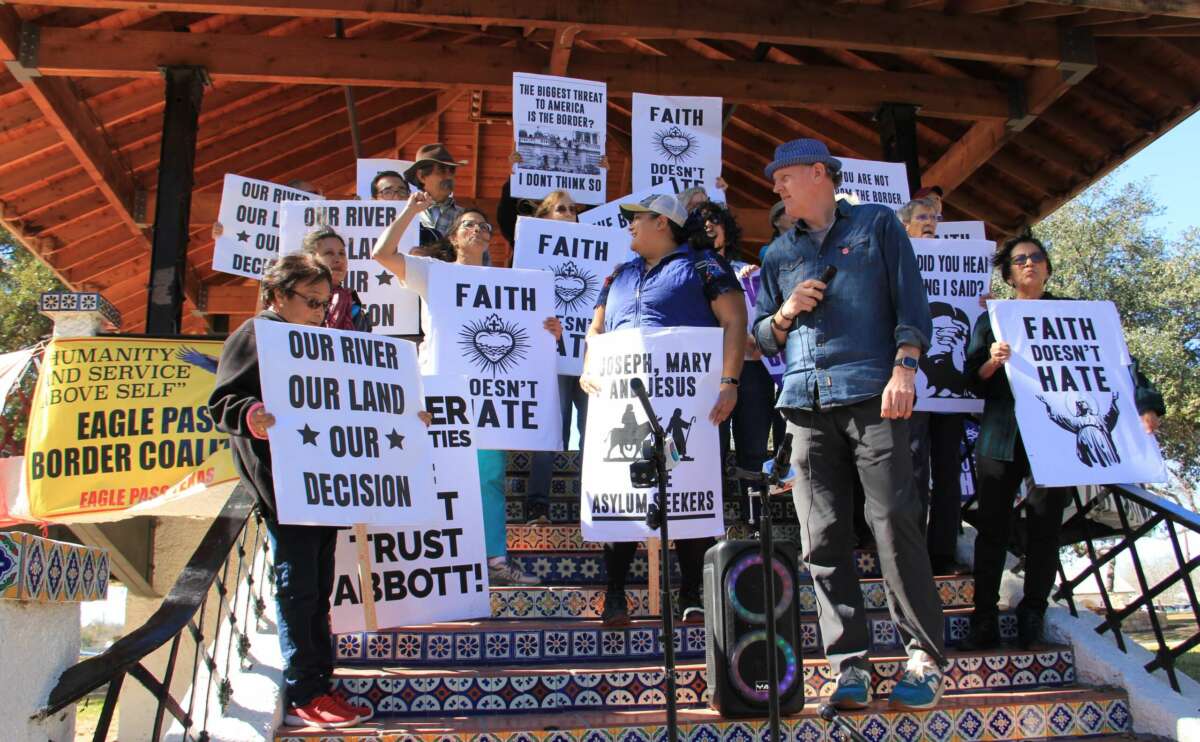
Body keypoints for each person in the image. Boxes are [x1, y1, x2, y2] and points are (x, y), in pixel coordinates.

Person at [752, 138, 947, 711]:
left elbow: (913, 306)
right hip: (804, 406)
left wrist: (905, 369)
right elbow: (763, 334)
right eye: (775, 182)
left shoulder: (879, 225)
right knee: (822, 541)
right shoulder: (776, 255)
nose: (777, 189)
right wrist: (786, 312)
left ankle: (922, 658)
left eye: (785, 178)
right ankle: (850, 665)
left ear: (820, 174)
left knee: (893, 523)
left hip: (874, 395)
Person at [962, 235, 1165, 651]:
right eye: (1020, 260)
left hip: (1057, 441)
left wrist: (1146, 405)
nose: (1029, 265)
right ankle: (984, 618)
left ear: (1049, 267)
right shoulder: (994, 320)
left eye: (1037, 258)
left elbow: (1119, 365)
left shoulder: (1074, 315)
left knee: (1045, 527)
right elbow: (971, 378)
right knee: (992, 528)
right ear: (1008, 274)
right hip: (1004, 435)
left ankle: (1033, 611)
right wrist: (993, 361)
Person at [208, 254, 366, 729]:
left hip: (321, 485)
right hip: (284, 486)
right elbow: (222, 402)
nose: (320, 310)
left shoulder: (319, 342)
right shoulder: (255, 334)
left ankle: (321, 681)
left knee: (319, 588)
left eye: (326, 302)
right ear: (277, 295)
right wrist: (250, 415)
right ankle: (304, 690)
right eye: (311, 300)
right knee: (298, 588)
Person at [373, 194, 564, 586]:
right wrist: (410, 210)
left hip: (488, 400)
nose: (478, 230)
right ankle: (437, 560)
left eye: (484, 227)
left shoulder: (510, 283)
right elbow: (382, 253)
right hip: (439, 395)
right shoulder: (433, 273)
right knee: (439, 476)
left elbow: (534, 339)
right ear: (454, 238)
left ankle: (495, 558)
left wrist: (551, 334)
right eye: (469, 226)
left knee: (489, 476)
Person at [580, 193, 746, 626]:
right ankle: (615, 594)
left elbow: (734, 319)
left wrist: (729, 381)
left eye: (638, 219)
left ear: (664, 223)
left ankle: (692, 592)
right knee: (621, 490)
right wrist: (587, 368)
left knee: (689, 485)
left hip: (690, 403)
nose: (630, 226)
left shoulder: (705, 265)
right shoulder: (617, 274)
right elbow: (595, 329)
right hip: (620, 404)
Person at [689, 200, 776, 519]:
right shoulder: (688, 272)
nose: (708, 226)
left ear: (728, 228)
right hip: (707, 374)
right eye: (700, 222)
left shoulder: (748, 272)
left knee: (753, 450)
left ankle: (754, 522)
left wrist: (761, 341)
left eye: (715, 220)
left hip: (753, 371)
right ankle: (712, 520)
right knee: (711, 448)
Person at [900, 197, 969, 574]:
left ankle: (941, 553)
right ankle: (911, 553)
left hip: (952, 392)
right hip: (911, 382)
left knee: (947, 471)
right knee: (912, 468)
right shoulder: (898, 261)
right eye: (922, 217)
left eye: (934, 218)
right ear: (906, 225)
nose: (929, 223)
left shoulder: (957, 261)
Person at [523, 190, 591, 524]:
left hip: (589, 357)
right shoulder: (530, 256)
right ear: (546, 216)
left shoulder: (598, 255)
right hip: (551, 360)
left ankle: (593, 503)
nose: (567, 213)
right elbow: (518, 308)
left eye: (572, 209)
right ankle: (537, 504)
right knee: (551, 429)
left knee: (593, 432)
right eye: (559, 209)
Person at [300, 227, 371, 333]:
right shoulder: (295, 300)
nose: (338, 260)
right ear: (310, 259)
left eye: (342, 253)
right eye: (329, 253)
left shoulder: (355, 311)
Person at [403, 143, 468, 244]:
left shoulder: (466, 218)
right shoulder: (404, 212)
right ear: (421, 176)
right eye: (441, 170)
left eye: (452, 170)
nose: (449, 176)